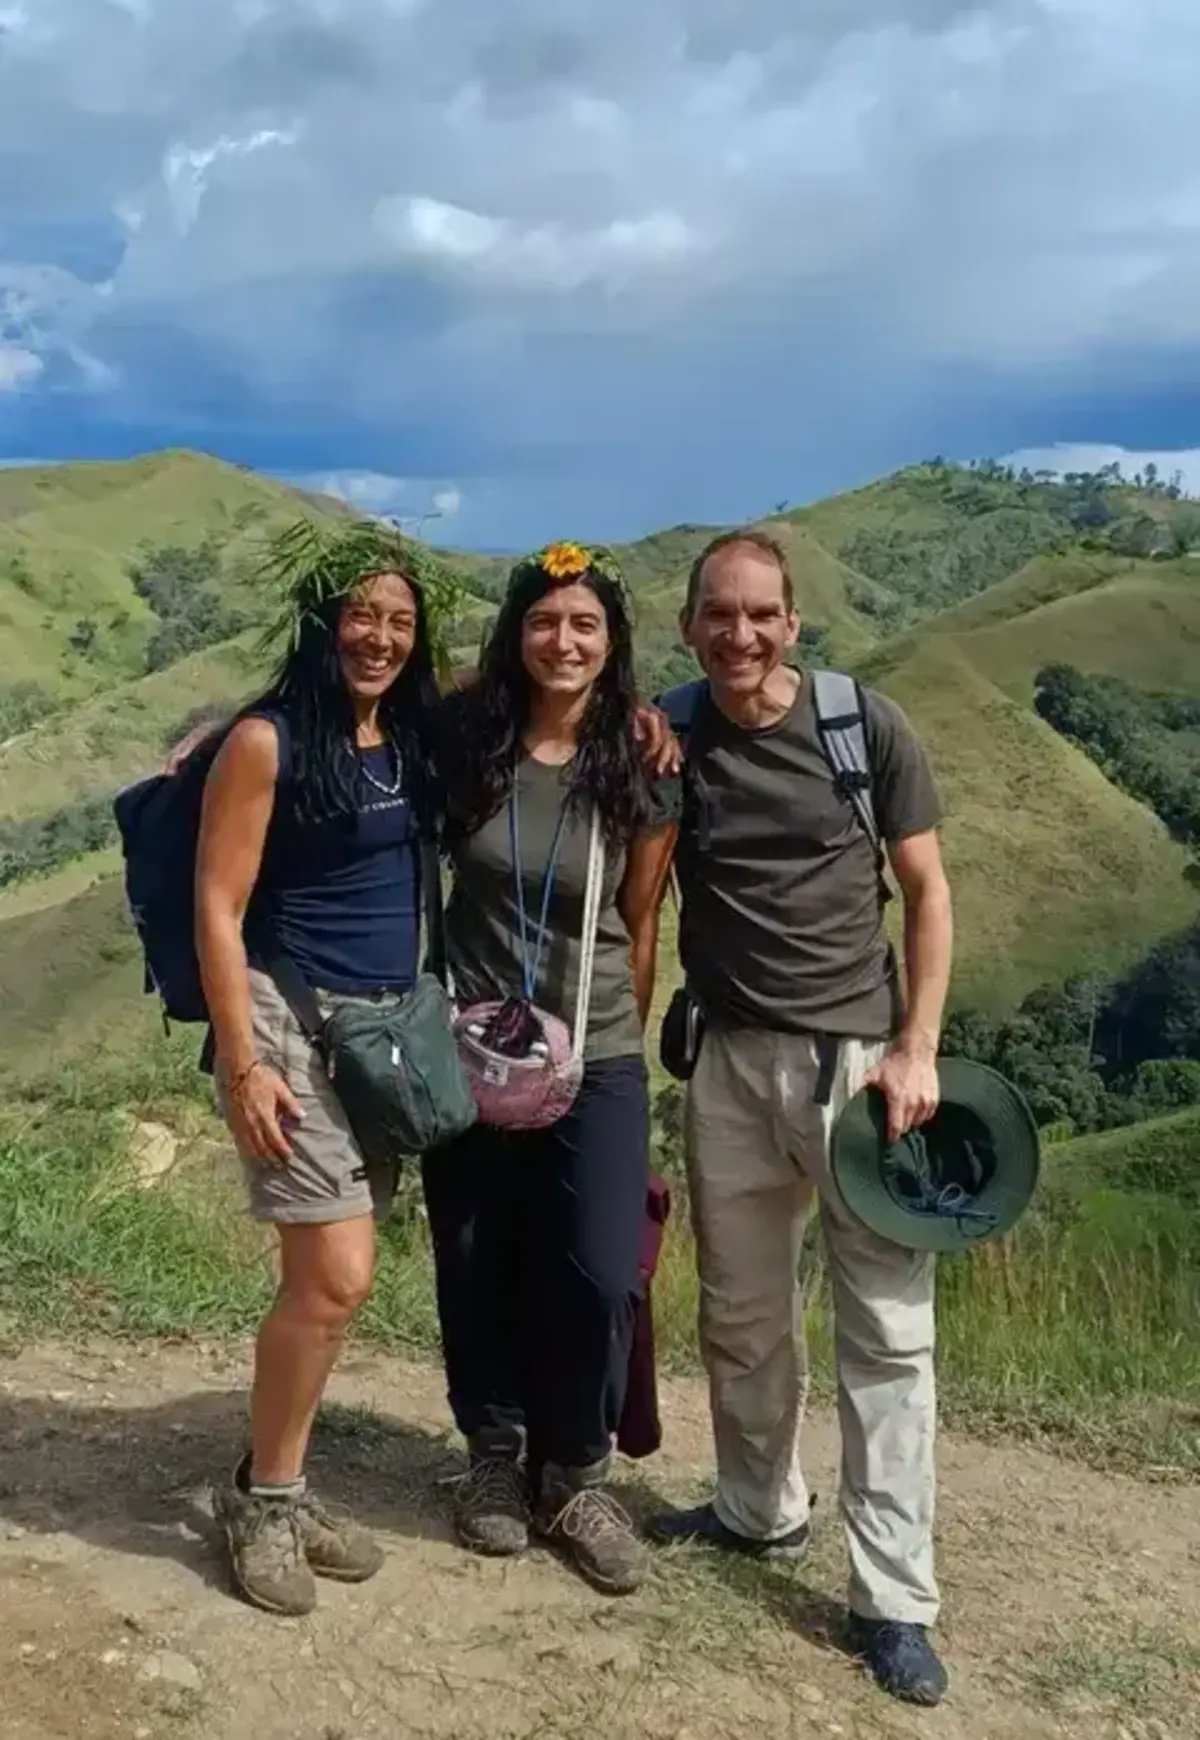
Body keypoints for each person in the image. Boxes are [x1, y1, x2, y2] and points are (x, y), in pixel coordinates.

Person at [646, 529, 954, 1707]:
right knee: (743, 1317)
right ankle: (756, 1511)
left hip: (861, 1070)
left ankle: (894, 1599)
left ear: (795, 618)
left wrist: (916, 1047)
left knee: (887, 1333)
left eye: (761, 614)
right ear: (689, 627)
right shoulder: (671, 732)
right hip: (726, 1062)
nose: (740, 635)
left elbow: (927, 890)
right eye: (718, 615)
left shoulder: (861, 727)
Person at [195, 527, 445, 1617]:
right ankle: (264, 1501)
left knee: (326, 1290)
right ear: (319, 623)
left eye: (399, 618)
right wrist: (245, 1065)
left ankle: (276, 1482)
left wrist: (637, 708)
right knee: (336, 1277)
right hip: (288, 1032)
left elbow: (518, 683)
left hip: (377, 1040)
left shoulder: (406, 735)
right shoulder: (268, 742)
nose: (378, 637)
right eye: (359, 615)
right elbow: (218, 904)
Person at [421, 541, 679, 1597]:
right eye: (543, 622)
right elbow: (378, 699)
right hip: (470, 1041)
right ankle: (493, 1457)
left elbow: (643, 921)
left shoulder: (643, 764)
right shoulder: (467, 744)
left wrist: (614, 1049)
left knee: (597, 1267)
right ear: (515, 636)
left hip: (597, 1046)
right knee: (476, 1252)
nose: (562, 641)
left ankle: (574, 1472)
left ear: (612, 644)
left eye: (584, 625)